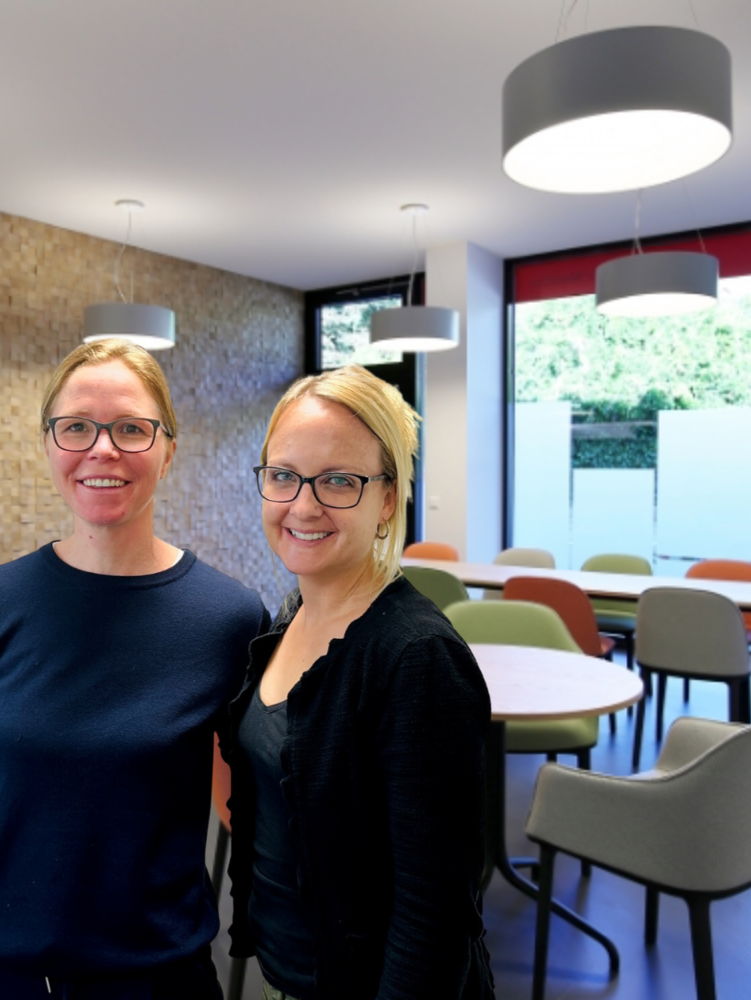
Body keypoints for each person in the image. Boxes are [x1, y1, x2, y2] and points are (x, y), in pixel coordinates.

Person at [0, 338, 270, 1000]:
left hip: (153, 973)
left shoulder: (228, 617)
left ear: (168, 449)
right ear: (48, 445)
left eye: (131, 428)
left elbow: (247, 803)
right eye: (77, 427)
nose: (103, 448)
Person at [224, 364, 494, 1000]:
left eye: (339, 481)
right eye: (284, 476)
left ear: (388, 500)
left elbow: (434, 917)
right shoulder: (291, 617)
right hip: (289, 972)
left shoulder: (417, 658)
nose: (304, 505)